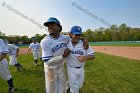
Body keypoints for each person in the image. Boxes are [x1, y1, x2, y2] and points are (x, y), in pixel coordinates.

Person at [41, 17, 89, 93]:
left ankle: (69, 85)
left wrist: (84, 40)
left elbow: (75, 37)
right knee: (51, 90)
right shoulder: (45, 41)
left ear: (59, 27)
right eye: (48, 25)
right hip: (50, 68)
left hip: (61, 66)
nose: (50, 26)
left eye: (52, 25)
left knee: (62, 89)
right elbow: (47, 61)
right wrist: (63, 55)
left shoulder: (65, 38)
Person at [66, 26, 95, 93]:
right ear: (71, 34)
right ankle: (71, 86)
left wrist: (86, 57)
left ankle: (68, 84)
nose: (78, 37)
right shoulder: (67, 42)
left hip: (81, 68)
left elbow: (93, 56)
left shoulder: (84, 43)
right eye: (76, 34)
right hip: (71, 68)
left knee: (80, 86)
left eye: (79, 35)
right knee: (75, 90)